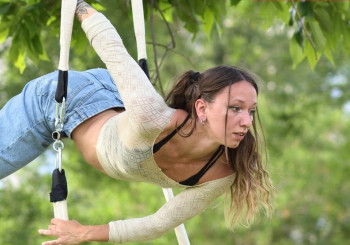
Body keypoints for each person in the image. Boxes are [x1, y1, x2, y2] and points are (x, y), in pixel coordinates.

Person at [0, 1, 274, 244]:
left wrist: (85, 232)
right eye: (235, 108)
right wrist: (78, 5)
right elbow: (112, 48)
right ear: (202, 108)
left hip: (113, 99)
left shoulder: (221, 172)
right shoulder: (153, 118)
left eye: (251, 111)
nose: (246, 121)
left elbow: (158, 224)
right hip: (62, 100)